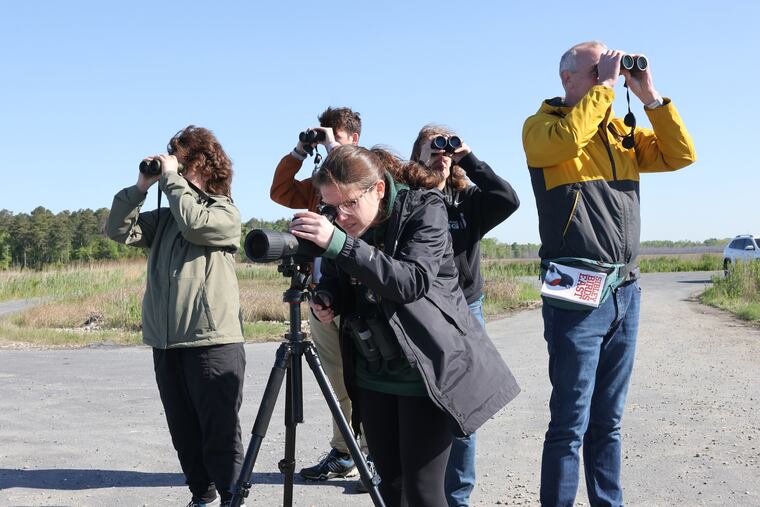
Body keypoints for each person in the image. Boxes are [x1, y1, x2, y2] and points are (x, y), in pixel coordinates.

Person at [289, 145, 521, 506]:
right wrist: (328, 298)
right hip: (373, 373)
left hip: (424, 373)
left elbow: (410, 282)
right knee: (391, 489)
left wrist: (339, 243)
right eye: (331, 207)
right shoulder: (346, 222)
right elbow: (337, 275)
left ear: (378, 189)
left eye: (349, 204)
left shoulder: (424, 209)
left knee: (424, 493)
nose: (341, 216)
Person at [522, 41, 696, 506]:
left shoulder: (620, 133)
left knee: (609, 421)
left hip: (625, 290)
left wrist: (651, 97)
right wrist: (604, 87)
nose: (611, 76)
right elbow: (567, 141)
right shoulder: (542, 128)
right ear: (568, 79)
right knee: (570, 422)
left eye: (610, 69)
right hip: (575, 285)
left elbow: (680, 155)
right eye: (599, 69)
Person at [106, 126, 246, 507]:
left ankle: (233, 497)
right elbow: (116, 229)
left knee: (219, 432)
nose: (175, 169)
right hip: (167, 341)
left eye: (182, 162)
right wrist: (141, 186)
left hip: (211, 340)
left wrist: (171, 181)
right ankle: (203, 496)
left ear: (201, 164)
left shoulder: (225, 211)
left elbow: (196, 224)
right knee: (183, 431)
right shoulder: (166, 219)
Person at [410, 125, 520, 507]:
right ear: (417, 157)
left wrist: (468, 159)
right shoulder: (410, 199)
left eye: (447, 149)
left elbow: (508, 198)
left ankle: (457, 499)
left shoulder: (467, 200)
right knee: (422, 405)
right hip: (422, 308)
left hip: (466, 308)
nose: (442, 154)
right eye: (433, 149)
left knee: (465, 408)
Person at [269, 106, 371, 484]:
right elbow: (280, 191)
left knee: (366, 376)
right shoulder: (320, 186)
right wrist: (299, 150)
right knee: (335, 377)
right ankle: (346, 451)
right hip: (320, 294)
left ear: (353, 140)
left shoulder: (366, 174)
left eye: (335, 136)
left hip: (357, 294)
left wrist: (333, 149)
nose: (326, 143)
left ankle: (374, 454)